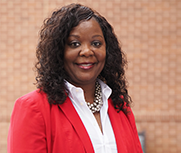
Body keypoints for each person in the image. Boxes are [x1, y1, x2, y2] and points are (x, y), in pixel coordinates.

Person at [7, 3, 143, 153]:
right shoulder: (34, 108)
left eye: (96, 43)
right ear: (58, 51)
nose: (87, 51)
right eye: (75, 44)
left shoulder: (119, 105)